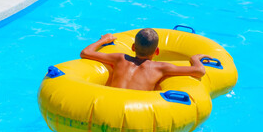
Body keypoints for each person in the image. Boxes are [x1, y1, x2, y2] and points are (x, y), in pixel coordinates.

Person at [80, 28, 211, 91]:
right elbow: (199, 71)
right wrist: (195, 58)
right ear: (157, 51)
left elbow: (85, 52)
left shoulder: (120, 58)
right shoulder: (160, 67)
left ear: (132, 47)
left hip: (109, 104)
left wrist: (104, 40)